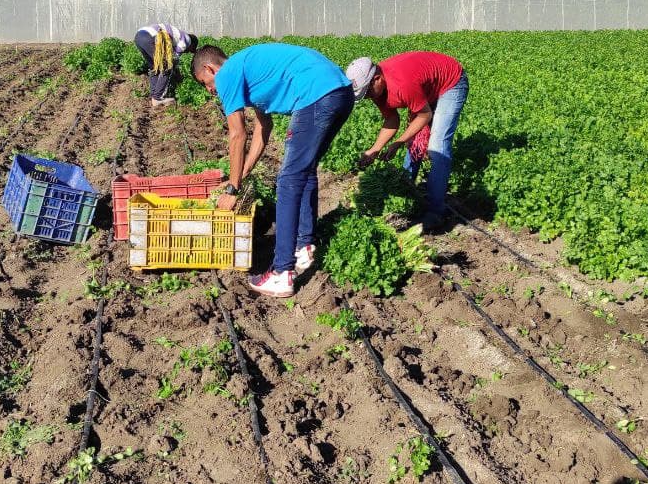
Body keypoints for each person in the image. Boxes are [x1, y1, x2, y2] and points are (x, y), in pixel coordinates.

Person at [192, 43, 354, 298]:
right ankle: (304, 246)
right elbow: (262, 130)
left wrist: (232, 189)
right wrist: (242, 173)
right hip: (340, 91)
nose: (211, 91)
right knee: (304, 170)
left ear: (209, 68)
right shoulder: (250, 73)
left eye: (205, 83)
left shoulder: (227, 73)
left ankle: (282, 273)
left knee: (289, 181)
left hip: (315, 94)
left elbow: (237, 134)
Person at [345, 51, 469, 233]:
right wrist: (375, 149)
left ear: (377, 79)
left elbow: (425, 115)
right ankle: (408, 192)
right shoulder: (377, 90)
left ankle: (436, 212)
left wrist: (399, 142)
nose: (368, 97)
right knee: (416, 143)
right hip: (426, 87)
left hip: (451, 82)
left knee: (437, 147)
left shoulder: (402, 85)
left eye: (367, 92)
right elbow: (391, 120)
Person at [134, 23, 198, 108]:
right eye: (190, 51)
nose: (187, 52)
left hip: (139, 36)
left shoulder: (178, 36)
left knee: (154, 67)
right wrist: (179, 78)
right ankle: (157, 98)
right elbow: (174, 60)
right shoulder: (186, 40)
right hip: (150, 38)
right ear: (192, 45)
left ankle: (154, 95)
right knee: (167, 67)